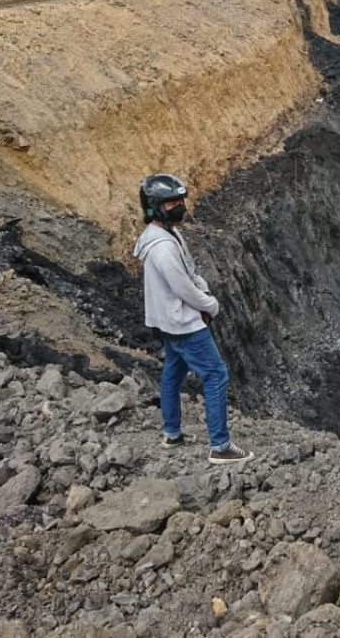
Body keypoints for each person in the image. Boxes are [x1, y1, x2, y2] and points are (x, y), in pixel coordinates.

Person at [133, 173, 253, 465]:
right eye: (172, 202)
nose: (180, 207)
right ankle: (220, 446)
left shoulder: (168, 235)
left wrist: (203, 288)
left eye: (180, 201)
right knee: (215, 374)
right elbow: (182, 286)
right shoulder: (162, 247)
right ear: (154, 207)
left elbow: (190, 271)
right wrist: (209, 305)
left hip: (167, 322)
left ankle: (172, 433)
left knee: (173, 374)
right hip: (182, 323)